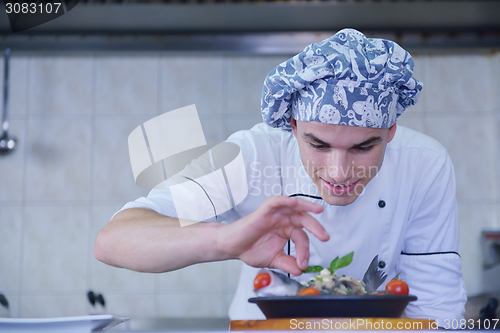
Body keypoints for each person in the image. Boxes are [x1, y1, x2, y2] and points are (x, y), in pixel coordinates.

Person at [94, 28, 467, 323]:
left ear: (391, 132)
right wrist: (225, 240)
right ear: (291, 125)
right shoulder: (255, 156)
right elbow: (114, 240)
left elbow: (436, 306)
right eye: (318, 145)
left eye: (362, 147)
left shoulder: (423, 164)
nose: (339, 173)